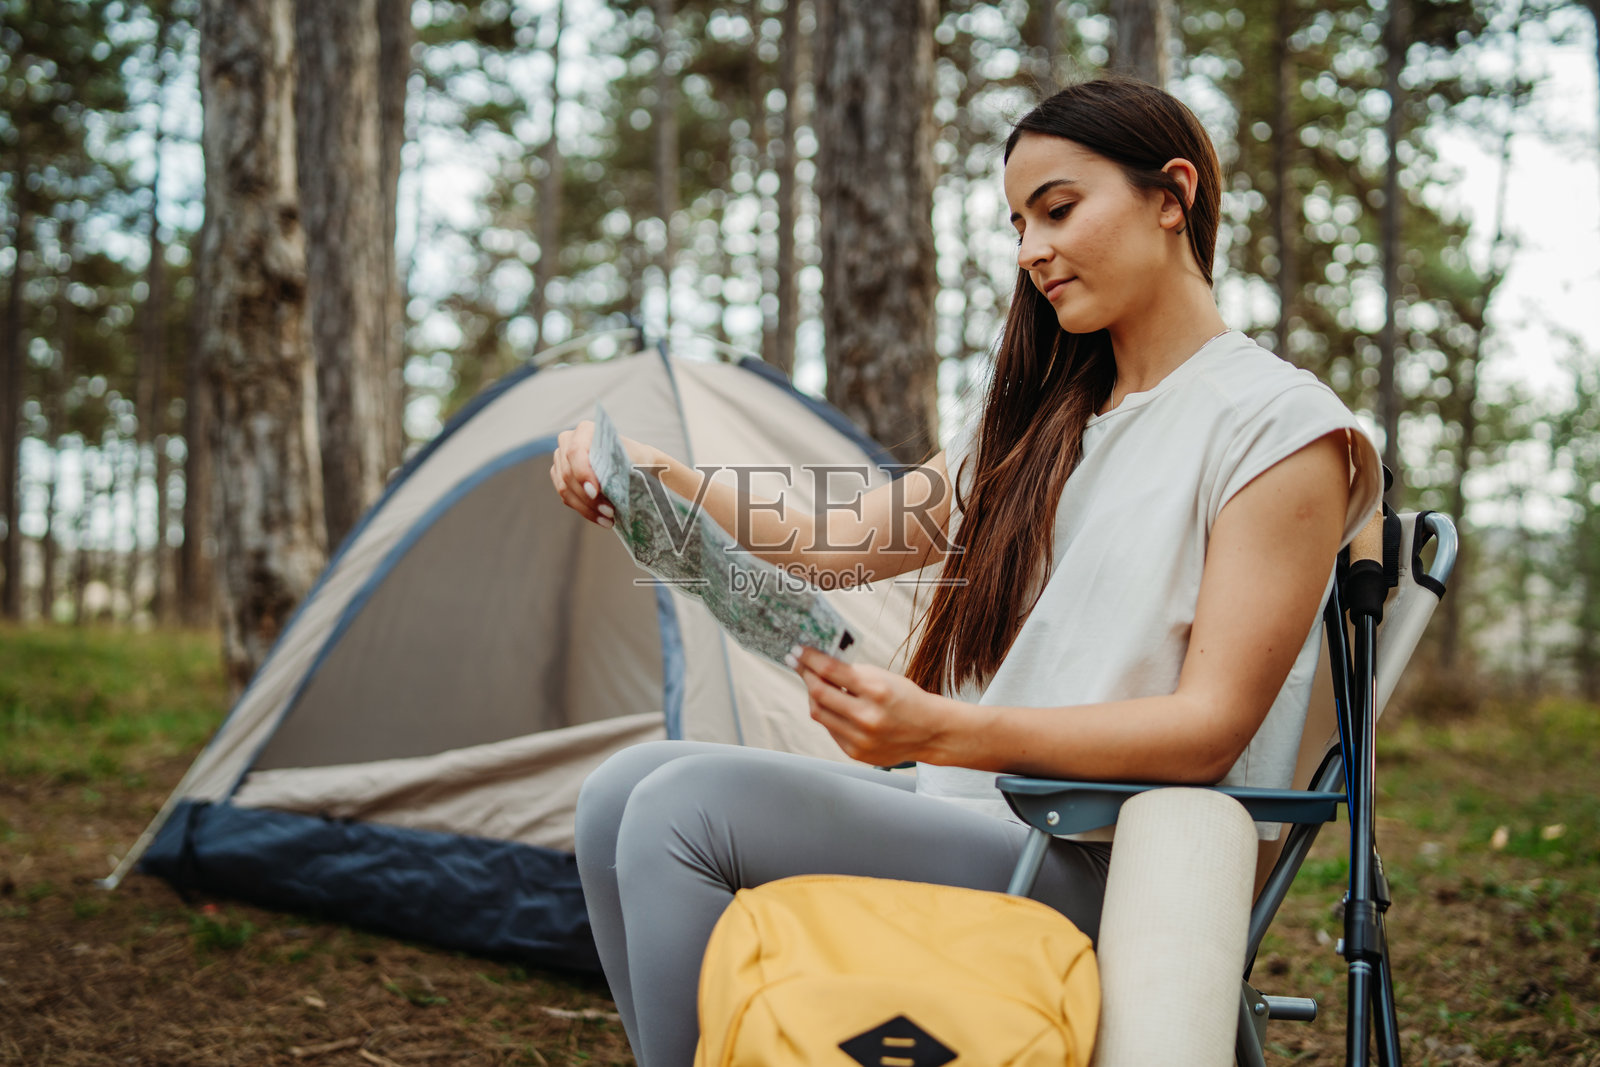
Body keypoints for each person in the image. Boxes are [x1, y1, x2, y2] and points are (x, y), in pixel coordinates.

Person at [548, 76, 1381, 1067]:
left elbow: (1206, 732)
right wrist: (657, 473)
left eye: (1058, 209)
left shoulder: (1277, 430)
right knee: (620, 787)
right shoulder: (1041, 425)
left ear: (1172, 195)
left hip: (1109, 857)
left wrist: (944, 729)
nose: (1030, 251)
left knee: (683, 813)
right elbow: (832, 539)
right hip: (978, 815)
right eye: (1018, 223)